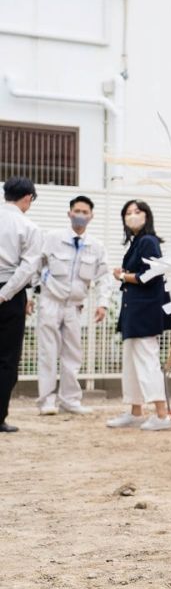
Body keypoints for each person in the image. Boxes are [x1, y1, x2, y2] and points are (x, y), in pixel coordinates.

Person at [32, 195, 114, 416]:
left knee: (73, 354)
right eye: (76, 211)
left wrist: (103, 304)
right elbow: (36, 267)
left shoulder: (96, 246)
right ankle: (46, 401)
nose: (80, 216)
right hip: (50, 302)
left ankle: (70, 400)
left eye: (85, 212)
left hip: (75, 307)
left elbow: (104, 277)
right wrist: (30, 295)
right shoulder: (52, 238)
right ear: (69, 213)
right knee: (48, 352)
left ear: (91, 216)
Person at [106, 200, 171, 431]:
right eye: (127, 213)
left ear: (147, 215)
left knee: (147, 361)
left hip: (145, 311)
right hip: (134, 310)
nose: (132, 216)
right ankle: (135, 410)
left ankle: (161, 414)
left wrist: (124, 277)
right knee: (132, 362)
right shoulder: (138, 242)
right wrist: (126, 275)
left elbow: (152, 274)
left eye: (137, 212)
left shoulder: (148, 241)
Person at [0, 177, 43, 434]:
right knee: (6, 359)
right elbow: (28, 267)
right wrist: (5, 294)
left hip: (9, 290)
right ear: (27, 198)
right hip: (11, 294)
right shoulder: (28, 226)